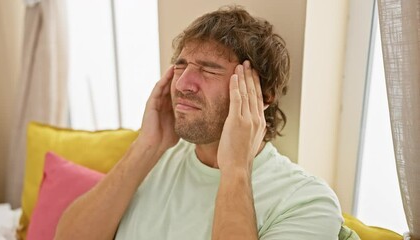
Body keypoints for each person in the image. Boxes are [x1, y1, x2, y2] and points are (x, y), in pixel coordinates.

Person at [55, 5, 343, 240]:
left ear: (262, 96)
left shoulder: (306, 202)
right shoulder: (153, 160)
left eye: (208, 70)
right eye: (181, 65)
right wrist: (146, 146)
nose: (183, 83)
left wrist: (235, 170)